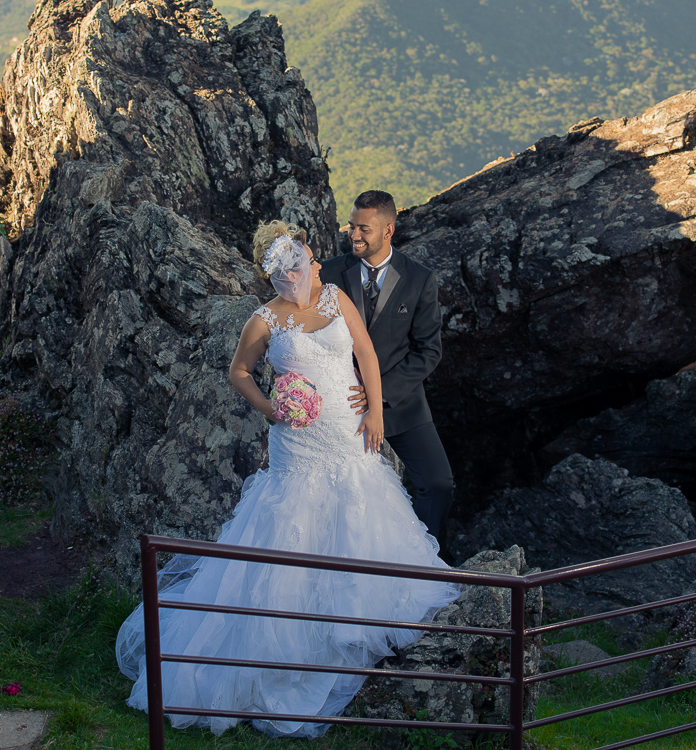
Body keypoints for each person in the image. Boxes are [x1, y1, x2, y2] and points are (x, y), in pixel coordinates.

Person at [115, 220, 458, 739]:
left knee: (361, 511)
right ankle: (285, 650)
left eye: (295, 263)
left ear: (308, 257)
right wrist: (271, 407)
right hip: (296, 447)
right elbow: (239, 372)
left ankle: (359, 617)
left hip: (348, 435)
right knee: (292, 525)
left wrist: (377, 415)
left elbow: (364, 353)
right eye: (279, 269)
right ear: (269, 273)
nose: (291, 274)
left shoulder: (336, 298)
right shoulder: (264, 320)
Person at [319, 190, 455, 554]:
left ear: (388, 230)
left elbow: (429, 351)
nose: (354, 235)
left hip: (402, 404)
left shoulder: (420, 279)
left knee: (438, 483)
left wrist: (379, 393)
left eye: (364, 228)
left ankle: (426, 563)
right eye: (351, 226)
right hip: (342, 404)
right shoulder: (329, 272)